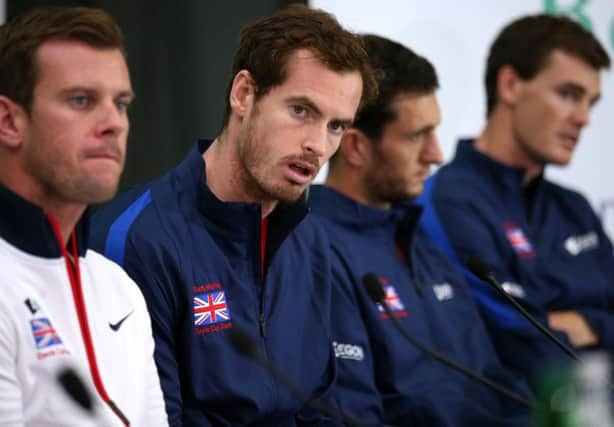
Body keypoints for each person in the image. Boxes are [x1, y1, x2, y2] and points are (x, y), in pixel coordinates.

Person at [89, 5, 376, 426]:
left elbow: (326, 409)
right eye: (301, 111)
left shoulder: (312, 240)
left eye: (335, 126)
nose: (317, 144)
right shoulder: (136, 239)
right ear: (244, 94)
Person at [309, 34, 531, 427]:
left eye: (434, 131)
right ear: (356, 147)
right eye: (416, 136)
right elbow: (351, 415)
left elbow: (495, 385)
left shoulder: (419, 237)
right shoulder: (314, 253)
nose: (437, 154)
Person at [417, 13, 612, 385]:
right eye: (568, 94)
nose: (584, 118)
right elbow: (519, 348)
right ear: (510, 85)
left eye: (591, 102)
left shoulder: (574, 207)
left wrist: (587, 325)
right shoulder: (447, 199)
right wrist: (595, 328)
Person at [0, 7, 168, 426]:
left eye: (122, 103)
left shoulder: (120, 289)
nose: (113, 123)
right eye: (81, 100)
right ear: (8, 121)